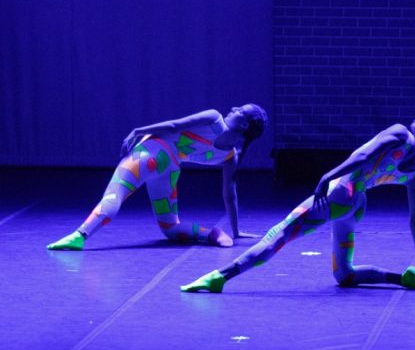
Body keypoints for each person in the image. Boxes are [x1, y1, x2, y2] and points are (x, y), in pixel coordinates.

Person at [181, 110, 415, 293]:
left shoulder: (401, 134)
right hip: (356, 204)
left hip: (338, 194)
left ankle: (219, 277)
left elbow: (362, 156)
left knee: (278, 235)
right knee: (344, 275)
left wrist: (327, 176)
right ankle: (405, 277)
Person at [47, 104, 268, 250]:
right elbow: (230, 195)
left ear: (244, 124)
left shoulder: (214, 119)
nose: (234, 108)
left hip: (150, 153)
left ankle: (80, 235)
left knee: (115, 194)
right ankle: (211, 233)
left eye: (240, 110)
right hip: (169, 168)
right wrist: (236, 232)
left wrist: (137, 131)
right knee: (170, 228)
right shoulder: (230, 157)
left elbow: (173, 125)